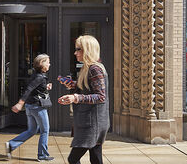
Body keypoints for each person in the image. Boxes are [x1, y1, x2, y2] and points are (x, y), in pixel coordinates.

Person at [58, 35, 110, 164]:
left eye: (78, 49)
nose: (75, 53)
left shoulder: (94, 69)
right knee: (96, 159)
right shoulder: (89, 68)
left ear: (88, 49)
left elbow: (100, 96)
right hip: (93, 122)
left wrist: (75, 97)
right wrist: (74, 85)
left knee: (73, 159)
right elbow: (89, 88)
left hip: (92, 124)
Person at [6, 53, 54, 162]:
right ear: (42, 64)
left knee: (32, 130)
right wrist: (20, 103)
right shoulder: (39, 77)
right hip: (38, 108)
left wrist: (46, 87)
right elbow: (28, 90)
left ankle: (11, 145)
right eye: (48, 62)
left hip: (30, 107)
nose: (49, 64)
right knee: (45, 131)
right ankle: (42, 155)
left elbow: (34, 88)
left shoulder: (36, 75)